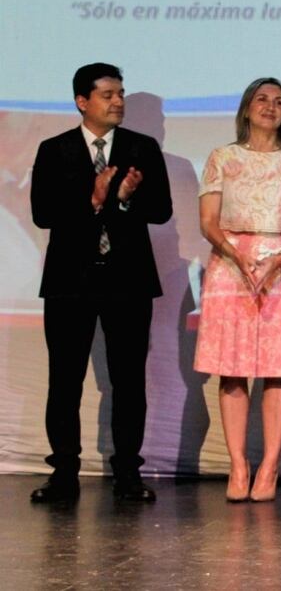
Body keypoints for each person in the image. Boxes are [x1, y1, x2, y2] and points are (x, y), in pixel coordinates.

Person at [29, 62, 173, 503]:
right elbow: (43, 213)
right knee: (65, 379)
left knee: (128, 380)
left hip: (127, 281)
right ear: (82, 101)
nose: (117, 102)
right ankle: (64, 473)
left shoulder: (142, 148)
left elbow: (162, 209)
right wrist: (91, 201)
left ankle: (128, 473)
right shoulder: (54, 150)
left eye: (121, 94)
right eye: (108, 94)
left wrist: (126, 200)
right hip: (70, 282)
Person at [194, 77, 281, 502]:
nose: (271, 106)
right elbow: (209, 220)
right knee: (232, 368)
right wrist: (236, 254)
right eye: (262, 99)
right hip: (231, 265)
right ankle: (238, 464)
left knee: (277, 370)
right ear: (247, 108)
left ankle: (268, 466)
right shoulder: (222, 157)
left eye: (279, 101)